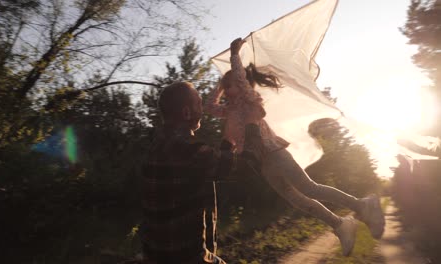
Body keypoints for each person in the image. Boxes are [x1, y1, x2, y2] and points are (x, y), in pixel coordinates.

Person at [205, 38, 385, 256]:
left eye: (230, 84)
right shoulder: (229, 110)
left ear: (242, 86)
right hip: (262, 164)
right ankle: (339, 224)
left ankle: (362, 205)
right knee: (296, 199)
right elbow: (209, 107)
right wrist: (220, 85)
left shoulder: (249, 100)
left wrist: (235, 56)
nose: (228, 88)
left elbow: (241, 81)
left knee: (309, 187)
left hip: (275, 153)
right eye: (226, 86)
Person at [141, 81, 266, 264]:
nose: (203, 110)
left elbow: (207, 168)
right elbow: (248, 166)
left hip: (156, 256)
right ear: (186, 112)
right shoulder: (188, 149)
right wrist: (253, 123)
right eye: (199, 103)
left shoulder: (156, 147)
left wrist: (228, 142)